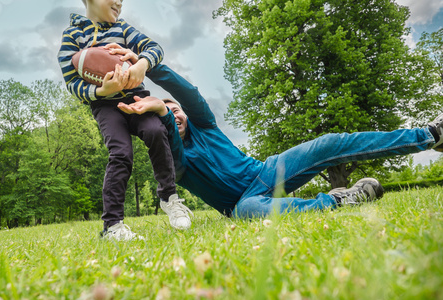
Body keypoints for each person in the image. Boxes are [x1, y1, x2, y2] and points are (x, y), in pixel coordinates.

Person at [115, 59, 443, 219]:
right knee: (249, 210)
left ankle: (430, 135)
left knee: (330, 142)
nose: (175, 114)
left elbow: (189, 94)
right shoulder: (174, 164)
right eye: (166, 114)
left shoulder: (205, 125)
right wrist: (160, 112)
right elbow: (170, 142)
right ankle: (341, 199)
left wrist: (150, 67)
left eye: (176, 110)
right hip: (240, 204)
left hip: (269, 171)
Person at [57, 0, 192, 241]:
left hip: (136, 97)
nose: (119, 2)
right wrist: (101, 91)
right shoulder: (72, 35)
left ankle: (169, 198)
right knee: (120, 153)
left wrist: (142, 64)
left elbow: (154, 47)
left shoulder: (123, 29)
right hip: (104, 104)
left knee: (155, 130)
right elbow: (72, 82)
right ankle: (112, 226)